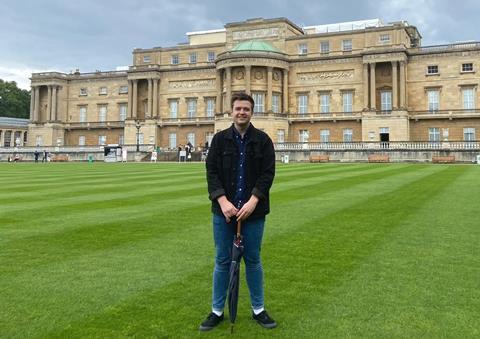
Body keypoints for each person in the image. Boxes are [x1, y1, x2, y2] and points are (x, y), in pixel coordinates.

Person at [200, 93, 276, 331]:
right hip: (224, 212)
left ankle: (258, 309)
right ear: (231, 111)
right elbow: (211, 172)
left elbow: (267, 174)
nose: (242, 112)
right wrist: (222, 201)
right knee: (223, 261)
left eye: (246, 109)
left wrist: (253, 201)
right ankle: (216, 311)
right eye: (238, 108)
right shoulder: (220, 140)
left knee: (253, 261)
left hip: (252, 213)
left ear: (252, 112)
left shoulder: (263, 140)